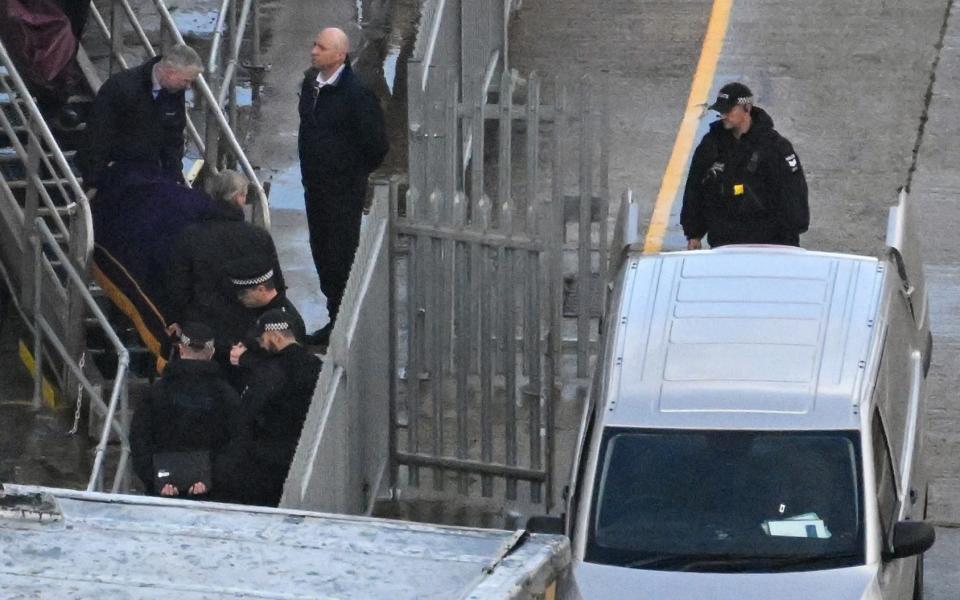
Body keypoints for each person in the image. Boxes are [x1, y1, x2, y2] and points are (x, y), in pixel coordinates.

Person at [298, 27, 388, 349]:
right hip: (315, 188)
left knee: (340, 255)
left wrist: (350, 175)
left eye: (321, 47)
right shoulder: (312, 85)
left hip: (342, 193)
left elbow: (376, 145)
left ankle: (344, 321)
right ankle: (333, 317)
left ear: (339, 55)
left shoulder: (356, 95)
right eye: (314, 44)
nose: (313, 51)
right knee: (321, 252)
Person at [167, 170, 285, 363]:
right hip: (247, 333)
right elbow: (276, 289)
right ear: (239, 196)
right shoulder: (258, 237)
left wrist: (177, 320)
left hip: (201, 332)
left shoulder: (189, 237)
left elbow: (178, 288)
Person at [680, 82, 809, 249]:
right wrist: (694, 233)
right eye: (721, 110)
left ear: (746, 108)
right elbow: (695, 187)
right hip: (725, 242)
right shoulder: (712, 144)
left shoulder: (776, 147)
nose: (723, 115)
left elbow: (794, 192)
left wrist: (791, 236)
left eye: (729, 110)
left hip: (771, 243)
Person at [217, 309, 322, 506]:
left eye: (263, 339)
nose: (261, 344)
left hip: (270, 454)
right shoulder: (315, 365)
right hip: (305, 448)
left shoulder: (271, 371)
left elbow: (248, 413)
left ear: (275, 335)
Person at [129, 322, 238, 498]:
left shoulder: (156, 392)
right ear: (211, 352)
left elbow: (139, 438)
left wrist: (154, 479)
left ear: (180, 349)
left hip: (163, 485)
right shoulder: (226, 396)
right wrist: (213, 479)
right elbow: (236, 442)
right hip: (210, 491)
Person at [78, 43, 203, 188]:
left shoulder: (174, 91)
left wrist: (174, 177)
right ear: (170, 72)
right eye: (186, 80)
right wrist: (97, 178)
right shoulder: (122, 86)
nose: (188, 87)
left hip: (149, 171)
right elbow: (98, 133)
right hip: (117, 171)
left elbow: (174, 137)